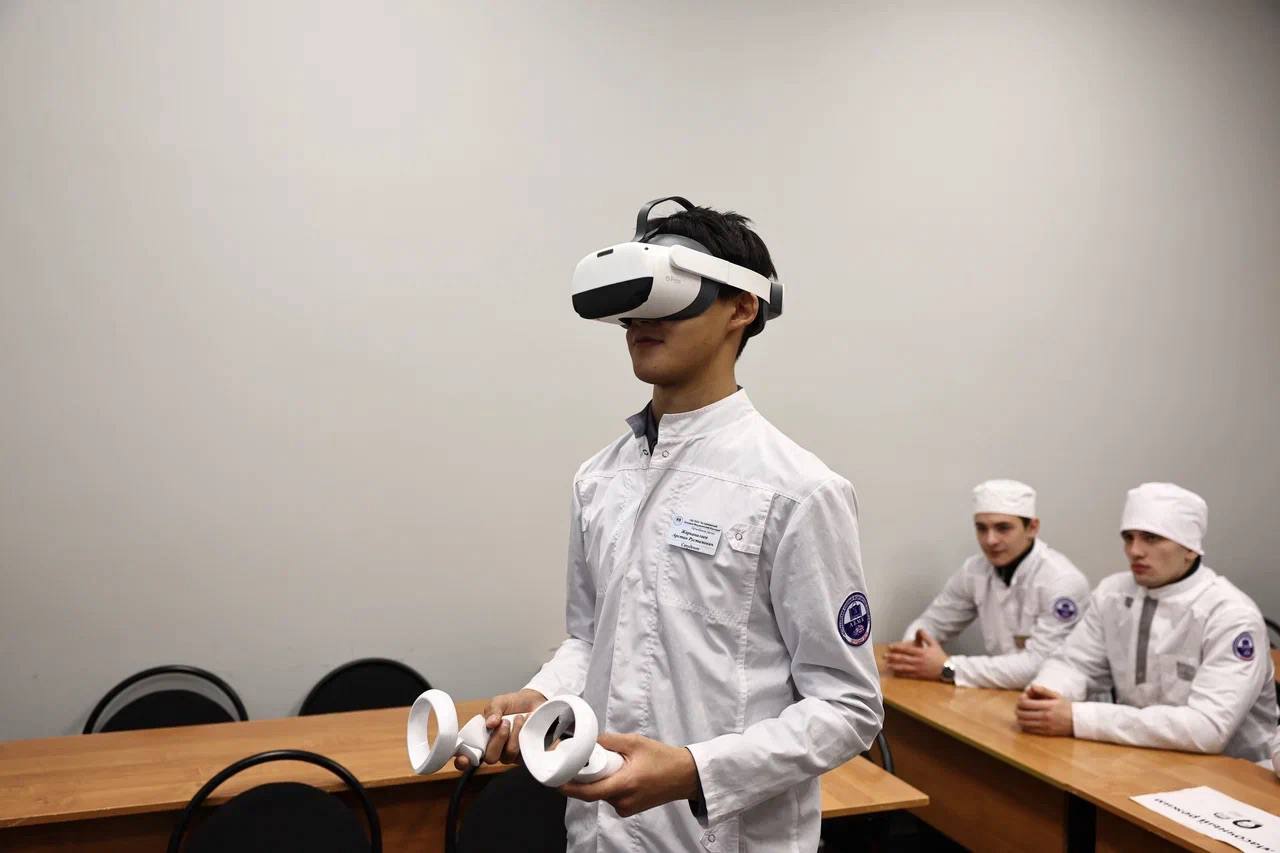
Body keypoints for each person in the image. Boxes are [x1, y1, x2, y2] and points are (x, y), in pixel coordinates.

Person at [456, 199, 884, 851]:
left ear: (741, 307)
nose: (641, 321)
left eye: (668, 298)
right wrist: (540, 694)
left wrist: (694, 770)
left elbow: (848, 707)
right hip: (598, 834)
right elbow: (590, 639)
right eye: (633, 304)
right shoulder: (598, 480)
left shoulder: (797, 491)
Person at [1017, 483, 1278, 762]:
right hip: (1143, 754)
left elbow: (1208, 729)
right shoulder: (1113, 593)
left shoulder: (1230, 615)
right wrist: (1046, 695)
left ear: (1191, 549)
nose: (1135, 551)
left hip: (1233, 771)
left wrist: (1078, 718)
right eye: (1128, 537)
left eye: (1151, 538)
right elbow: (1074, 663)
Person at [885, 479, 1090, 689]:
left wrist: (948, 668)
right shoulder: (974, 570)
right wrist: (912, 650)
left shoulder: (1062, 582)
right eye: (981, 528)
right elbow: (933, 622)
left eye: (1003, 528)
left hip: (1064, 699)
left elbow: (1039, 665)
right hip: (1000, 693)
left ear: (1032, 528)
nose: (990, 540)